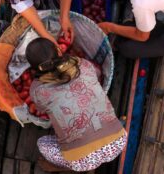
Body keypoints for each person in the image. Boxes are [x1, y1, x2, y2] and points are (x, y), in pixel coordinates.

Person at [26, 38, 127, 172]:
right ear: (58, 50)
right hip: (118, 142)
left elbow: (41, 108)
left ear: (34, 68)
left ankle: (63, 169)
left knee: (42, 143)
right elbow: (96, 74)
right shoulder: (82, 64)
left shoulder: (37, 90)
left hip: (82, 161)